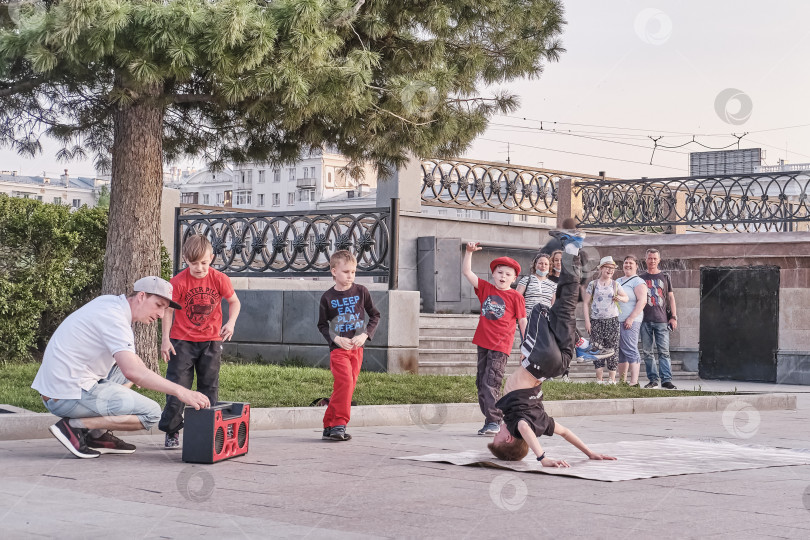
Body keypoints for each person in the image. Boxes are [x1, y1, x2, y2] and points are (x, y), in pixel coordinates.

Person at [31, 276, 211, 459]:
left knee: (131, 369)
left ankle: (96, 435)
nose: (161, 315)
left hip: (61, 385)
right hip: (64, 395)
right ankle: (75, 426)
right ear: (141, 296)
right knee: (152, 413)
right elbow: (133, 372)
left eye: (165, 309)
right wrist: (181, 392)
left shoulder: (110, 303)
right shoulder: (115, 319)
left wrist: (142, 373)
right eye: (158, 305)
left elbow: (132, 366)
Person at [487, 230, 616, 466]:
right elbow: (524, 428)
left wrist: (590, 453)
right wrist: (543, 457)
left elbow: (565, 432)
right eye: (497, 436)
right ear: (507, 439)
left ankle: (572, 248)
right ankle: (580, 344)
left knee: (566, 300)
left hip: (557, 366)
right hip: (540, 360)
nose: (499, 431)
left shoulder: (543, 422)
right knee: (539, 310)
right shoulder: (517, 424)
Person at [159, 235, 241, 449]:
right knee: (178, 386)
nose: (199, 268)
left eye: (204, 263)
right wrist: (165, 340)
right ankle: (172, 431)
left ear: (211, 258)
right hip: (181, 342)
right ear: (186, 259)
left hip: (211, 341)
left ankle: (208, 429)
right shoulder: (178, 282)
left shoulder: (219, 278)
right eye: (194, 263)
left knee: (209, 387)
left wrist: (231, 323)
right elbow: (168, 310)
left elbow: (234, 302)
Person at [462, 242, 527, 436]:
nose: (503, 277)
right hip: (483, 342)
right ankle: (491, 419)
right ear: (493, 274)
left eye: (508, 274)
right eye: (500, 272)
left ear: (514, 278)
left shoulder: (516, 297)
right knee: (481, 382)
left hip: (501, 346)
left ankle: (494, 420)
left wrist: (526, 347)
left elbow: (523, 322)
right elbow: (467, 272)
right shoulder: (486, 289)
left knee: (491, 381)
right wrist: (468, 252)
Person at [317, 250, 381, 441]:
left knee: (345, 387)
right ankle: (339, 424)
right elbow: (321, 325)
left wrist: (365, 335)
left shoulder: (362, 291)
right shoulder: (327, 297)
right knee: (344, 383)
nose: (350, 276)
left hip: (357, 349)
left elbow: (375, 315)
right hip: (339, 350)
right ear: (334, 271)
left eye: (353, 272)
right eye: (346, 272)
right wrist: (336, 339)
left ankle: (328, 424)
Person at [583, 256, 628, 384]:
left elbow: (626, 298)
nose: (610, 270)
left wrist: (619, 297)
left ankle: (612, 379)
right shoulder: (593, 284)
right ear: (601, 268)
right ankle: (599, 378)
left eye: (612, 268)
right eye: (607, 267)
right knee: (597, 348)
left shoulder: (615, 284)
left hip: (612, 321)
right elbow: (586, 303)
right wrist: (587, 321)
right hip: (596, 321)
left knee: (612, 348)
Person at [639, 248, 678, 390]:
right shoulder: (641, 278)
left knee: (664, 351)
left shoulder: (665, 276)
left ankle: (666, 380)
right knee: (647, 352)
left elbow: (671, 298)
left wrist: (673, 316)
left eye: (655, 258)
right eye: (650, 258)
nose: (652, 261)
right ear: (646, 259)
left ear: (659, 260)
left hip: (662, 320)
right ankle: (653, 380)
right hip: (645, 320)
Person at [616, 255, 648, 386]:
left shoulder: (638, 281)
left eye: (631, 263)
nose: (627, 265)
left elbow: (643, 301)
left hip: (630, 321)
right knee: (620, 351)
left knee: (630, 348)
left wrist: (631, 318)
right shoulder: (618, 280)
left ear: (636, 266)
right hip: (617, 320)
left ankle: (634, 382)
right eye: (625, 263)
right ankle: (622, 381)